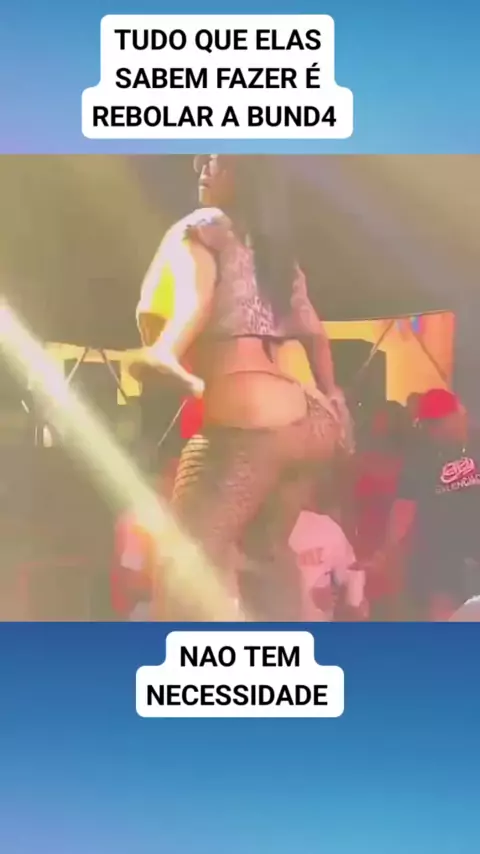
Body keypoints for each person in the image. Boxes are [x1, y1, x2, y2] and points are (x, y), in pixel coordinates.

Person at [130, 155, 350, 620]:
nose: (202, 169)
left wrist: (166, 348)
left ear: (241, 175)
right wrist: (335, 397)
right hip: (309, 424)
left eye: (216, 161)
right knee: (265, 556)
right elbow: (315, 333)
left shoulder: (204, 227)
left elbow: (196, 296)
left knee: (183, 564)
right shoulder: (275, 253)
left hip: (252, 421)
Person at [371, 388, 480, 621]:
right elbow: (404, 507)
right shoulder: (420, 456)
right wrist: (389, 548)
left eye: (437, 424)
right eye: (429, 425)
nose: (433, 430)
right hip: (442, 559)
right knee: (443, 619)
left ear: (456, 415)